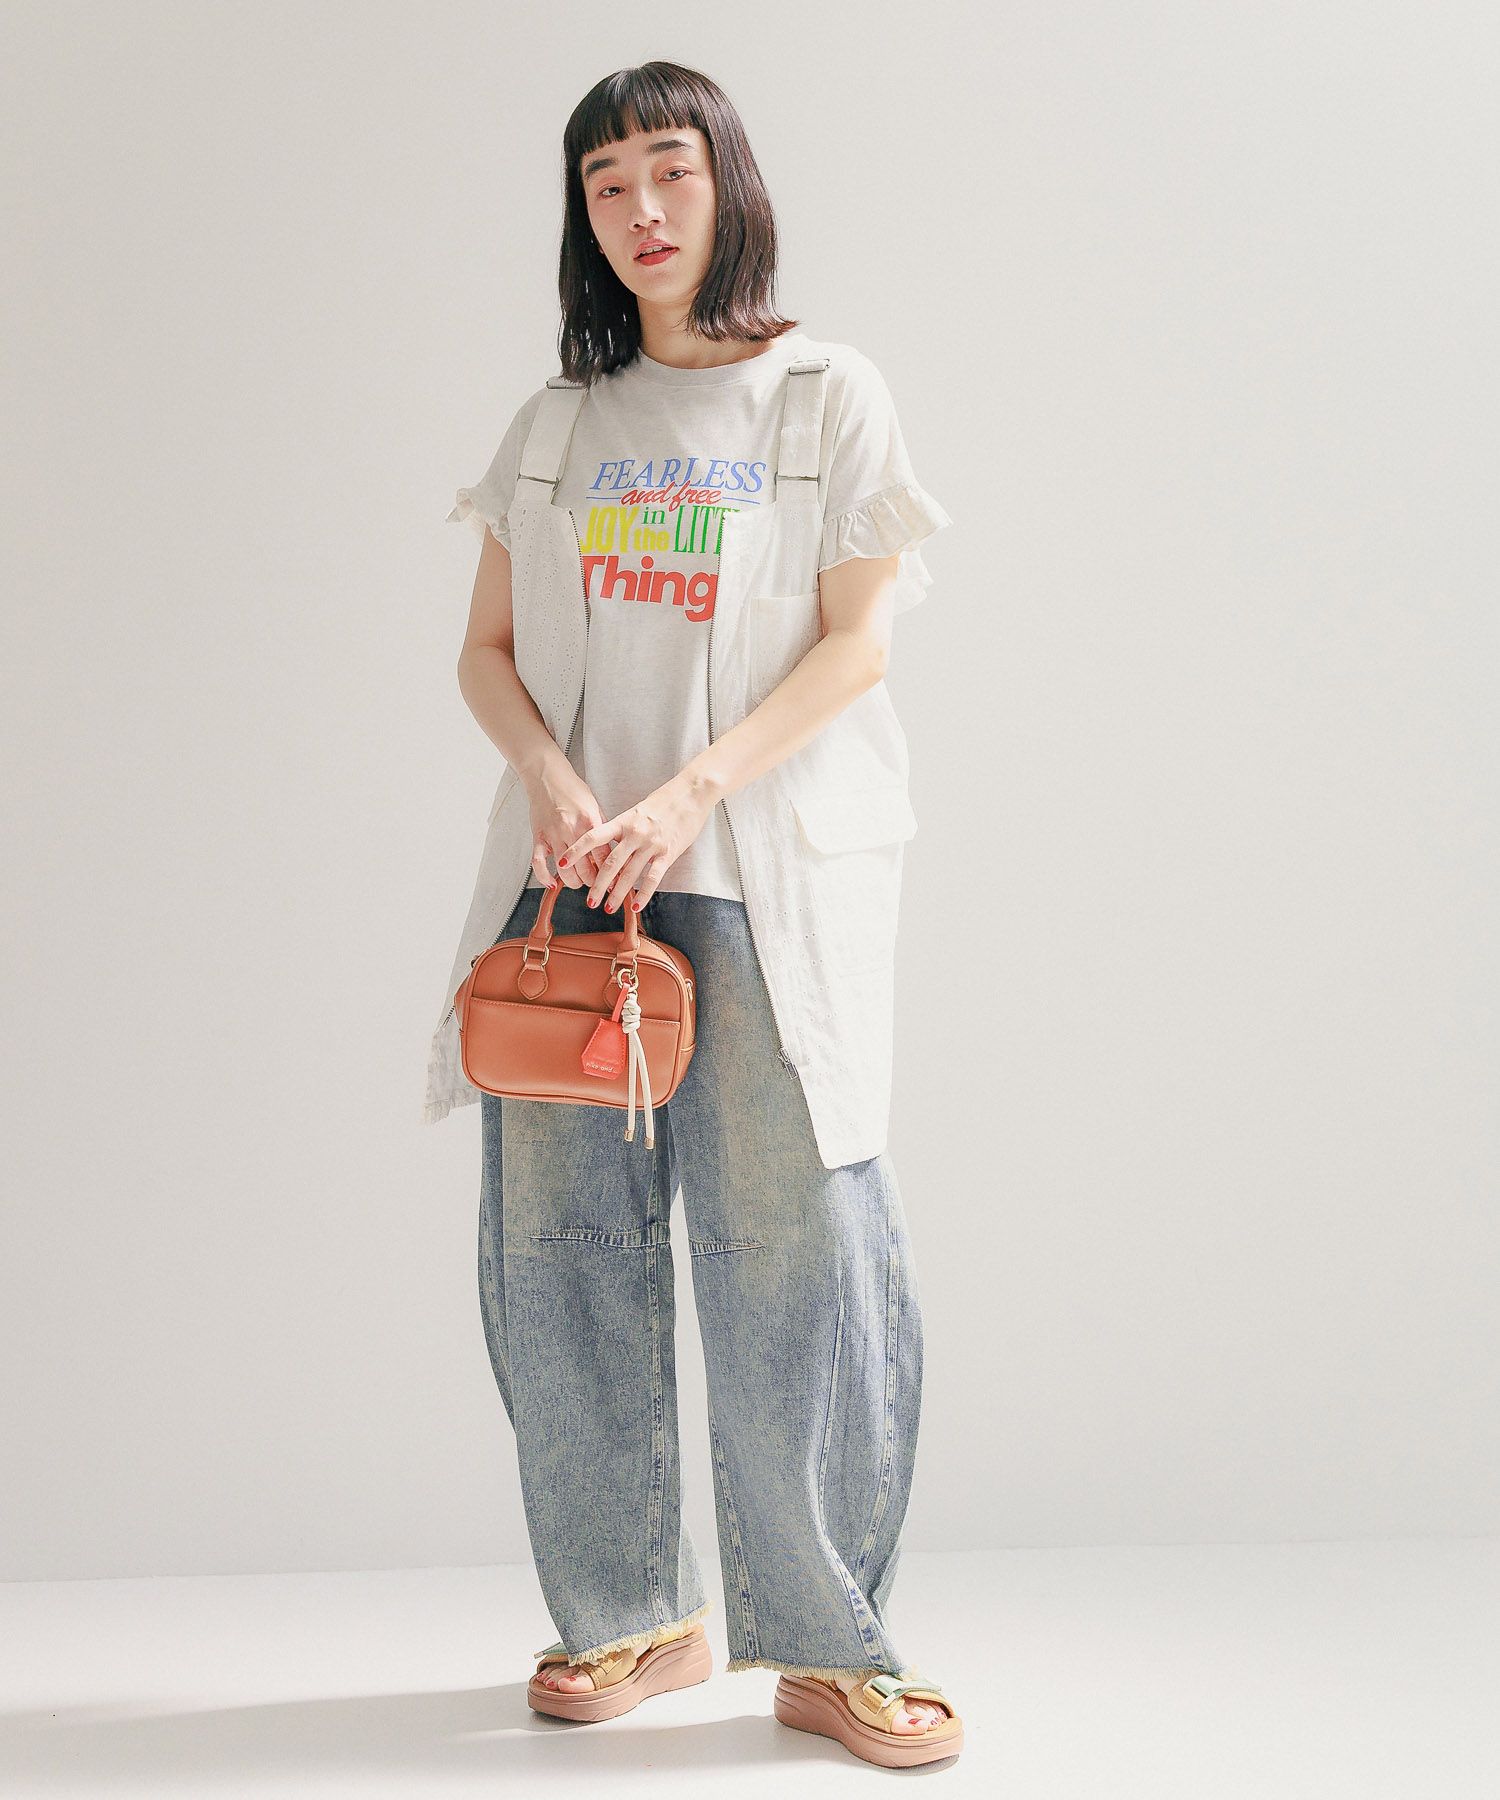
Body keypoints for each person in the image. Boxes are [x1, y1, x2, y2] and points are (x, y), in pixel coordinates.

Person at [430, 61, 961, 1769]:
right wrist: (548, 778)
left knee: (799, 1252)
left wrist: (691, 791)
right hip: (577, 899)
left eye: (670, 170)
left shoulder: (823, 397)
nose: (642, 210)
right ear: (581, 217)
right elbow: (485, 656)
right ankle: (630, 1615)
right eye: (606, 184)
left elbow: (858, 644)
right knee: (561, 1256)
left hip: (758, 882)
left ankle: (830, 1645)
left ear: (726, 182)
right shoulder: (559, 424)